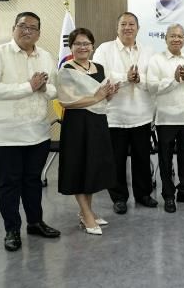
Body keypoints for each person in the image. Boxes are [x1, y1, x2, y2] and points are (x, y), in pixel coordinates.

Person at [0, 12, 61, 251]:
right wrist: (29, 86)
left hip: (37, 132)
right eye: (22, 26)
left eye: (32, 28)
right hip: (6, 135)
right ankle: (12, 230)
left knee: (33, 181)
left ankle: (35, 222)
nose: (27, 31)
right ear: (14, 28)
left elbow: (55, 90)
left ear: (39, 33)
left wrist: (43, 88)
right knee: (9, 184)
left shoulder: (45, 56)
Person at [57, 28, 119, 235]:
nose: (82, 47)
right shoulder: (66, 69)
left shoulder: (99, 67)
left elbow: (104, 97)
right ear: (71, 47)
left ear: (92, 46)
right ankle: (86, 214)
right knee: (78, 167)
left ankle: (86, 213)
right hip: (77, 124)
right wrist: (98, 97)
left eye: (86, 43)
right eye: (78, 43)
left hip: (97, 122)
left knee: (91, 167)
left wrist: (110, 93)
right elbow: (66, 101)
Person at [93, 12, 157, 214]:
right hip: (114, 116)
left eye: (131, 24)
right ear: (117, 27)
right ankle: (119, 198)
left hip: (142, 115)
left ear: (138, 28)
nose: (128, 27)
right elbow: (100, 76)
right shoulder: (104, 49)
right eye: (123, 24)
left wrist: (140, 79)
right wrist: (125, 78)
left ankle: (143, 194)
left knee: (142, 159)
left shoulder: (148, 51)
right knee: (116, 160)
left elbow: (153, 79)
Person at [147, 23, 184, 213]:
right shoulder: (156, 60)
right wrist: (172, 80)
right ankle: (168, 195)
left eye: (180, 36)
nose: (176, 39)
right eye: (173, 36)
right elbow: (151, 87)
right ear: (165, 38)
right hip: (166, 118)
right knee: (165, 158)